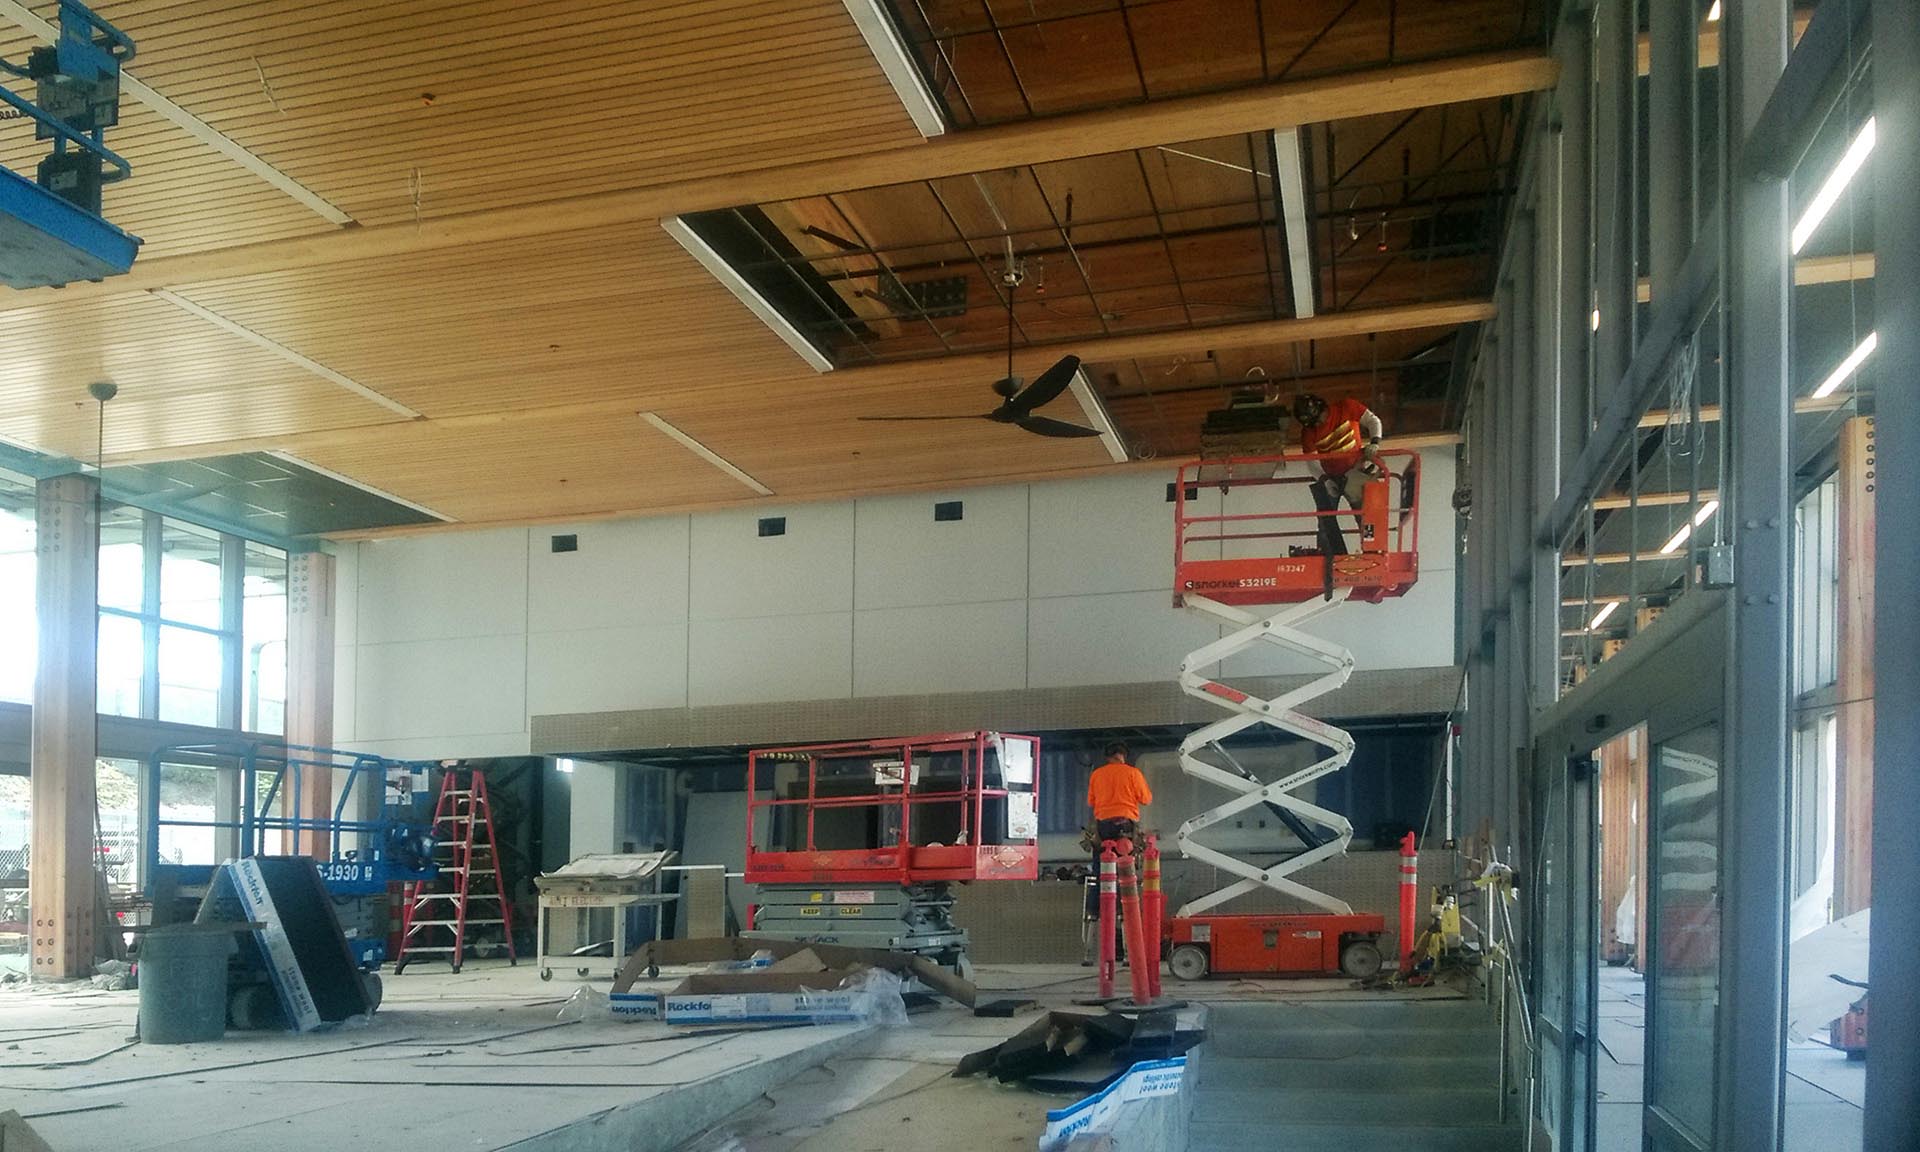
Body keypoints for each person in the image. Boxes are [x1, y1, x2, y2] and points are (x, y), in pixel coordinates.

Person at [1083, 742, 1153, 961]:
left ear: (1107, 756)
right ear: (1123, 755)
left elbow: (1091, 801)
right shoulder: (1133, 773)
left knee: (1099, 874)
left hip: (1103, 828)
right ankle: (1125, 921)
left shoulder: (1097, 775)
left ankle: (1094, 914)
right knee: (1126, 877)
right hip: (1125, 828)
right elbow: (1146, 799)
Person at [1294, 392, 1385, 556]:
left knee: (1366, 514)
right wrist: (1326, 481)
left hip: (1355, 470)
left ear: (1323, 407)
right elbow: (1312, 462)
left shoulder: (1347, 407)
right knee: (1325, 520)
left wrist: (1375, 443)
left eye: (1319, 419)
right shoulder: (1308, 433)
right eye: (1313, 424)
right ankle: (1326, 556)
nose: (1319, 424)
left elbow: (1373, 421)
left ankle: (1372, 552)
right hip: (1332, 477)